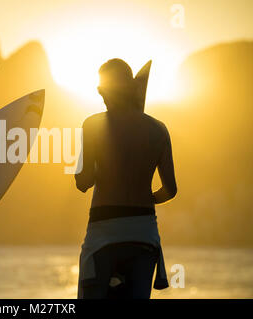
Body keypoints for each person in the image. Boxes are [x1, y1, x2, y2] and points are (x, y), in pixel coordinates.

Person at [75, 58, 177, 299]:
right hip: (144, 233)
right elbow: (170, 190)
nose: (100, 95)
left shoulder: (92, 125)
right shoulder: (159, 129)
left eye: (101, 90)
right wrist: (144, 198)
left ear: (105, 90)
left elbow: (83, 182)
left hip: (103, 232)